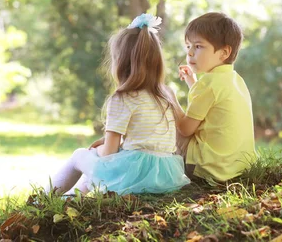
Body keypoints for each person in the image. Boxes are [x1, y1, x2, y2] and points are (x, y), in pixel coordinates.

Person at [46, 13, 190, 195]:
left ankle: (42, 199)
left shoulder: (123, 97)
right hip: (166, 176)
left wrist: (99, 149)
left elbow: (109, 153)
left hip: (135, 176)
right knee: (96, 171)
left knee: (80, 155)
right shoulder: (166, 92)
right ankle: (71, 199)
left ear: (120, 63)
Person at [175, 12, 255, 182]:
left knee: (168, 123)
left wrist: (169, 101)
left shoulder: (208, 84)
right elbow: (210, 105)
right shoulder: (235, 80)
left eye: (198, 46)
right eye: (188, 46)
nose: (189, 53)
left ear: (224, 52)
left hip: (208, 168)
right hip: (237, 166)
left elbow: (185, 129)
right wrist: (192, 82)